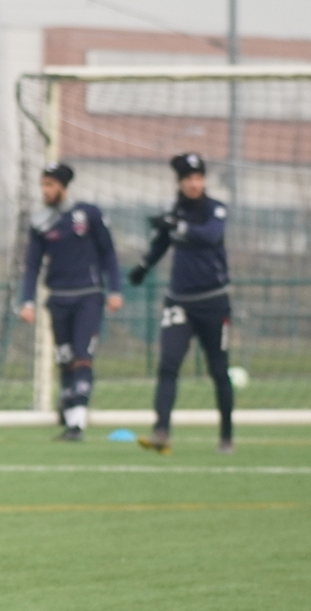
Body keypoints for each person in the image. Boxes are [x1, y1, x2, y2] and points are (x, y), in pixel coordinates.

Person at [125, 152, 235, 455]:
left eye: (198, 178)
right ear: (180, 182)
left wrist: (178, 225)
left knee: (218, 370)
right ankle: (161, 431)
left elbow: (210, 236)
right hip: (179, 303)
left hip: (214, 302)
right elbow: (162, 242)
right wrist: (142, 267)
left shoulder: (216, 210)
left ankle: (226, 436)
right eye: (188, 178)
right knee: (168, 365)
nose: (194, 184)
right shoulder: (174, 212)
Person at [16, 162, 122, 441]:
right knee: (64, 358)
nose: (45, 190)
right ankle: (69, 413)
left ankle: (78, 422)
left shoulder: (88, 214)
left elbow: (109, 253)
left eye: (50, 185)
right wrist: (27, 301)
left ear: (63, 186)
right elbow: (32, 266)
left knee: (82, 356)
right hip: (58, 299)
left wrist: (115, 290)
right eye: (43, 185)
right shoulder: (41, 222)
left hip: (88, 296)